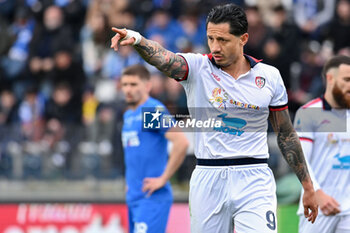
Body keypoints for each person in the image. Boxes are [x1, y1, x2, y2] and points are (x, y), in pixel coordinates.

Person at [111, 4, 318, 233]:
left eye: (223, 40)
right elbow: (166, 59)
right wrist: (138, 39)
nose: (215, 47)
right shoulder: (198, 68)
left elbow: (286, 133)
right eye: (210, 38)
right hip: (208, 177)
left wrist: (307, 187)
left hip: (255, 176)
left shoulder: (269, 76)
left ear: (243, 39)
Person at [120, 64, 188, 233]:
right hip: (134, 197)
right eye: (125, 84)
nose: (128, 89)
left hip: (151, 198)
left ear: (147, 86)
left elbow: (181, 142)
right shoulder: (129, 115)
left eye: (134, 84)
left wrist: (163, 178)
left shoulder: (150, 111)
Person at [294, 55, 350, 233]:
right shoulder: (309, 113)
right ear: (330, 79)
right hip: (318, 208)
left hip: (347, 209)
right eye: (347, 80)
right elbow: (300, 159)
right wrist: (317, 192)